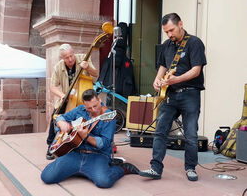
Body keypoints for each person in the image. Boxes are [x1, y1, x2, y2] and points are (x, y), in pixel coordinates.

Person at [138, 13, 207, 181]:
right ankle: (155, 168)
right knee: (160, 131)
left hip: (190, 94)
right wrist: (156, 80)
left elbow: (196, 70)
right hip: (170, 95)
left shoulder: (194, 42)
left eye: (171, 30)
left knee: (190, 134)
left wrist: (177, 79)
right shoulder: (166, 45)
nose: (169, 34)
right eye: (166, 32)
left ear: (180, 24)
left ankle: (190, 168)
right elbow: (163, 65)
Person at [41, 89, 139, 188]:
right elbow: (60, 118)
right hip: (75, 153)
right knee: (46, 177)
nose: (93, 110)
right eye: (89, 108)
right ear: (84, 106)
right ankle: (82, 170)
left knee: (104, 181)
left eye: (95, 106)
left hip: (97, 155)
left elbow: (105, 143)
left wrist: (86, 137)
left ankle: (121, 168)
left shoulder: (108, 116)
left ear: (99, 100)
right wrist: (61, 123)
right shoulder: (80, 110)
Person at [46, 43, 99, 160]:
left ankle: (90, 145)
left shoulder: (84, 58)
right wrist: (62, 95)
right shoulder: (58, 67)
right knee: (55, 115)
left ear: (73, 53)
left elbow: (96, 74)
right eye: (67, 57)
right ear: (62, 58)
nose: (70, 59)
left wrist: (88, 68)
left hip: (83, 98)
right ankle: (50, 145)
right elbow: (52, 87)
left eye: (71, 55)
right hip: (67, 97)